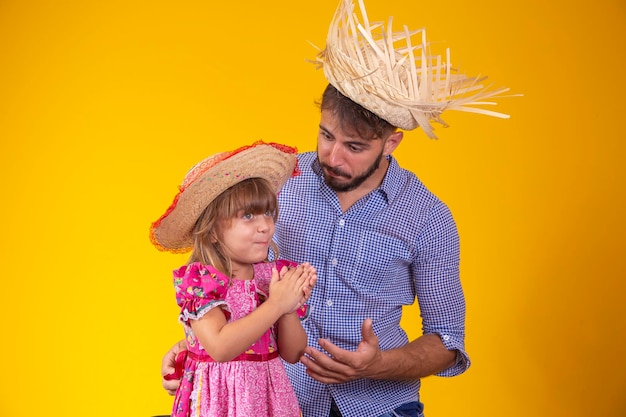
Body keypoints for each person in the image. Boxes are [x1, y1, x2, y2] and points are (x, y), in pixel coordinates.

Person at [161, 0, 515, 415]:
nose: (333, 157)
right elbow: (233, 276)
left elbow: (448, 342)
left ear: (391, 143)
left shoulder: (427, 217)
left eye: (355, 147)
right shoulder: (279, 183)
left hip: (380, 406)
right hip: (278, 398)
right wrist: (200, 344)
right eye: (326, 136)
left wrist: (378, 365)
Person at [150, 141, 318, 417]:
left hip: (269, 402)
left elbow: (293, 352)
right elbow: (220, 347)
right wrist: (276, 304)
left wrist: (289, 306)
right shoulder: (202, 281)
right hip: (218, 401)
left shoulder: (271, 276)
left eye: (267, 213)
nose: (265, 225)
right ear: (212, 231)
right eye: (248, 216)